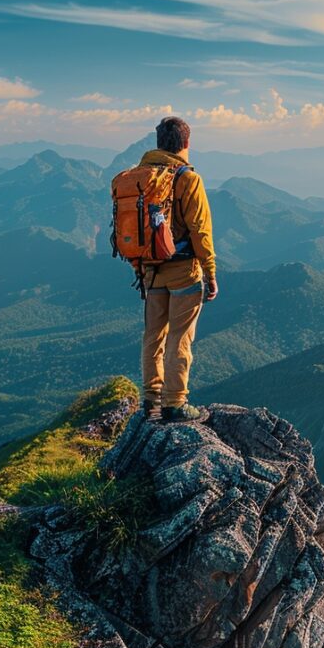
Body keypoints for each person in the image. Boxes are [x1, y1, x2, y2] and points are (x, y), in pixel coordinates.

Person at [138, 116, 218, 422]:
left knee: (153, 335)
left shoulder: (140, 176)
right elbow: (200, 231)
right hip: (183, 270)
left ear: (159, 143)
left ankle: (150, 400)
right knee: (180, 337)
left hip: (149, 269)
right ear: (186, 143)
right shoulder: (187, 179)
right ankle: (174, 403)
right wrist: (210, 273)